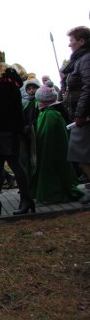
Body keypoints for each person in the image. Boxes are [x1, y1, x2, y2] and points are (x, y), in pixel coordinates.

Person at [0, 52, 35, 216]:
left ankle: (25, 199)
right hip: (2, 131)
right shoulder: (6, 85)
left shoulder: (5, 86)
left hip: (6, 131)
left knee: (14, 165)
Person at [31, 86, 83, 204]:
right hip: (54, 150)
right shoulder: (50, 113)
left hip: (53, 151)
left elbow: (47, 135)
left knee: (53, 169)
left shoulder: (50, 115)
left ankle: (54, 194)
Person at [62, 26, 90, 200]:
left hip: (85, 116)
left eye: (72, 40)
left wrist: (80, 114)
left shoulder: (85, 59)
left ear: (82, 41)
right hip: (83, 114)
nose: (69, 44)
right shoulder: (80, 60)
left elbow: (88, 86)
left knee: (81, 155)